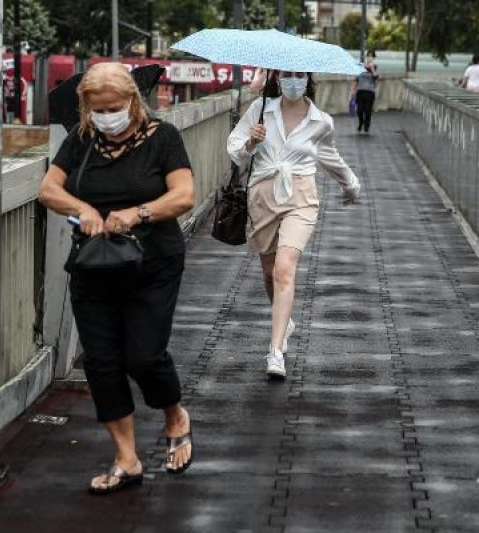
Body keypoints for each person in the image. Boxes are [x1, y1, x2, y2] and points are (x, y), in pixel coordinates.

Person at [38, 62, 195, 494]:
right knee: (103, 361)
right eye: (98, 108)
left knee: (142, 356)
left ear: (132, 100)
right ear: (88, 108)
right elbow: (49, 189)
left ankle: (174, 413)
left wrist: (138, 213)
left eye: (114, 106)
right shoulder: (82, 140)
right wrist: (82, 209)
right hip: (94, 265)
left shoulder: (163, 138)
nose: (108, 115)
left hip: (152, 263)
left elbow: (184, 194)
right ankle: (126, 458)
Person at [227, 71, 361, 379]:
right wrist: (251, 141)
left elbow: (329, 157)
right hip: (262, 196)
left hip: (301, 197)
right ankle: (284, 320)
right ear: (277, 77)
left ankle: (275, 352)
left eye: (299, 75)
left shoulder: (321, 121)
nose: (293, 80)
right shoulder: (260, 109)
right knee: (268, 271)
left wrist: (350, 186)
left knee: (284, 268)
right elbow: (233, 151)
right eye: (287, 74)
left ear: (308, 79)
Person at [352, 49, 379, 134]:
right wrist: (353, 91)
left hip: (370, 92)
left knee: (367, 110)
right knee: (359, 110)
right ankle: (361, 122)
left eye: (371, 56)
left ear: (373, 58)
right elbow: (356, 79)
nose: (369, 58)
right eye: (368, 56)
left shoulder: (375, 67)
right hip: (360, 91)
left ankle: (366, 126)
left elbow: (376, 79)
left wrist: (372, 69)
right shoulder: (361, 66)